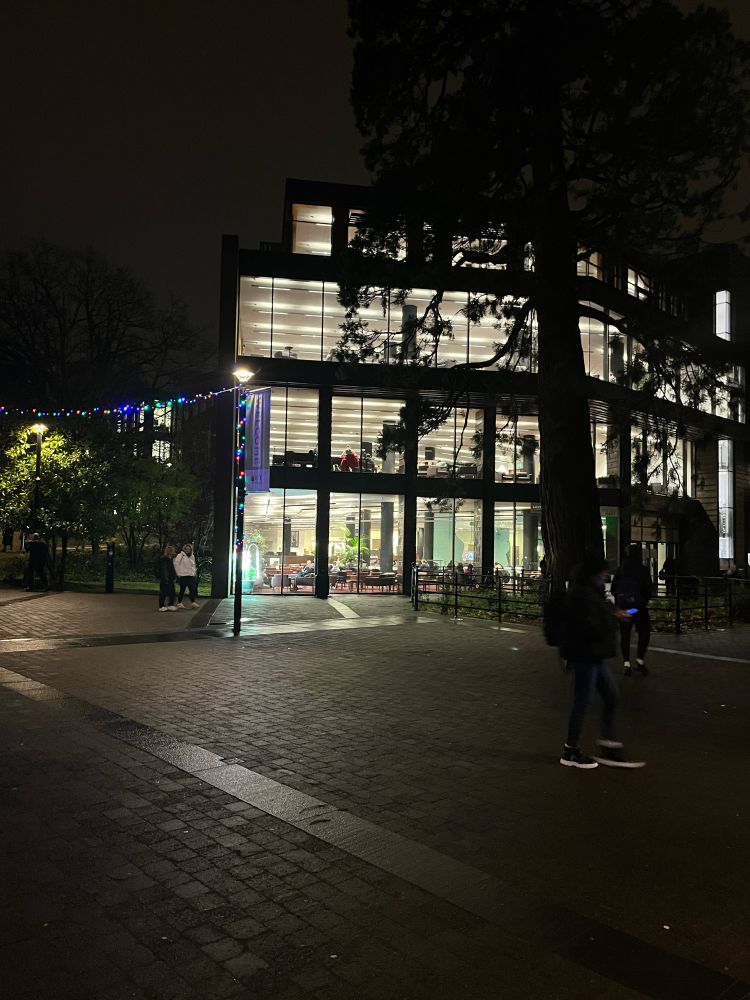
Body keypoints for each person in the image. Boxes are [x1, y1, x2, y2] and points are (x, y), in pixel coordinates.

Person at [559, 552, 645, 769]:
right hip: (585, 655)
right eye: (603, 571)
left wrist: (611, 613)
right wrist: (612, 618)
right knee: (583, 702)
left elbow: (594, 617)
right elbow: (590, 625)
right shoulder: (581, 595)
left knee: (610, 696)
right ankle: (570, 750)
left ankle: (607, 743)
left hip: (592, 655)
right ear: (593, 573)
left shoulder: (588, 592)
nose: (606, 574)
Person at [611, 543, 653, 676]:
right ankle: (640, 660)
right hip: (638, 609)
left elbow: (613, 590)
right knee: (644, 633)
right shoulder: (643, 570)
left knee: (625, 635)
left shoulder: (620, 570)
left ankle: (626, 663)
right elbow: (649, 590)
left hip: (624, 610)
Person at [174, 543, 199, 608]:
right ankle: (179, 603)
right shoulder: (180, 555)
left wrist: (194, 573)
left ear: (191, 549)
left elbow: (193, 566)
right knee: (182, 590)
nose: (187, 550)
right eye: (186, 549)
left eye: (189, 549)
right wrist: (178, 574)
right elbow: (176, 564)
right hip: (183, 576)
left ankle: (193, 602)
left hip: (191, 576)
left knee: (192, 589)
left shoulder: (192, 556)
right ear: (184, 549)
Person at [158, 544, 178, 611]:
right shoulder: (164, 559)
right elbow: (164, 570)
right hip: (166, 579)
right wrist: (166, 579)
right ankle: (161, 606)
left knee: (172, 593)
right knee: (163, 593)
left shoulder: (170, 559)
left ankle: (170, 604)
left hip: (170, 579)